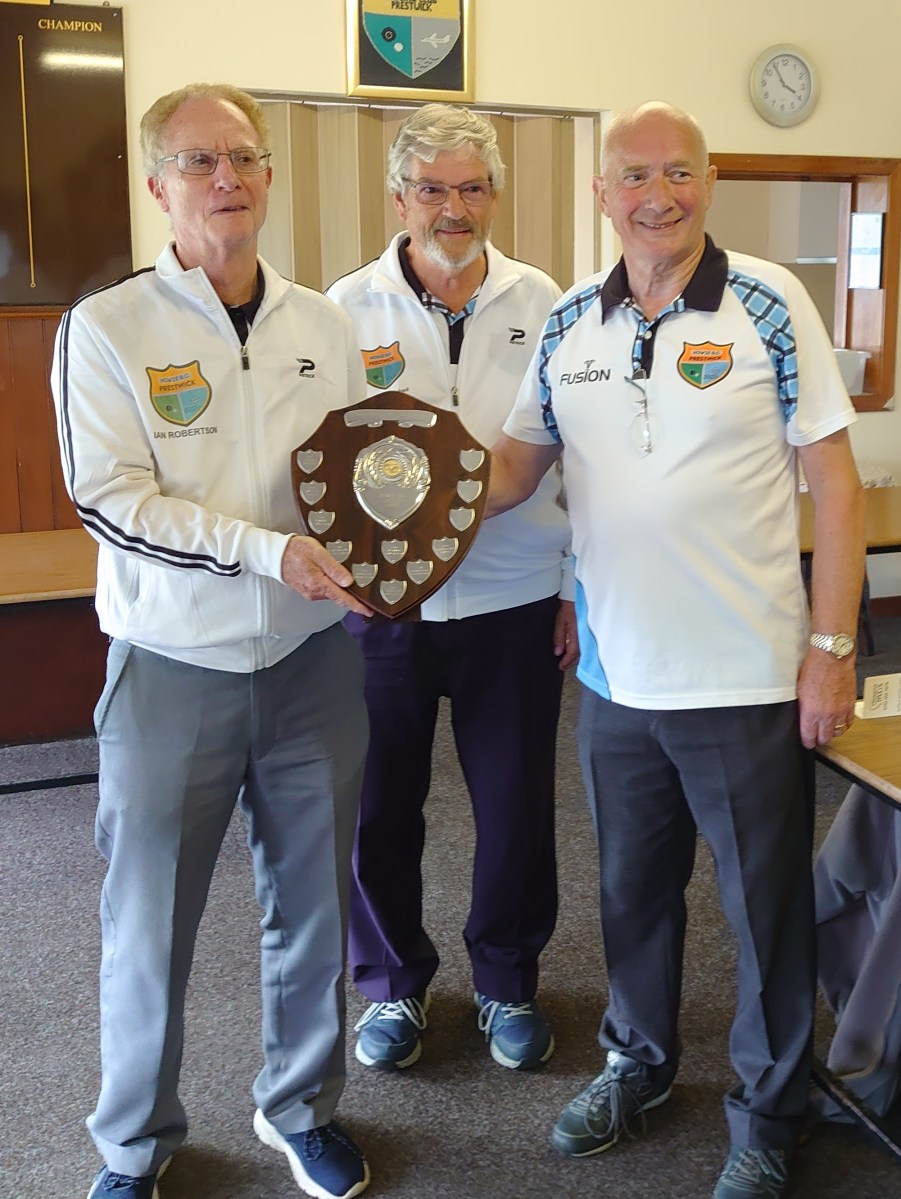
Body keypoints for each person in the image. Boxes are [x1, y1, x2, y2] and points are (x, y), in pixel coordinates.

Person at [487, 101, 866, 1198]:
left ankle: (768, 1111)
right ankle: (639, 1062)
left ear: (707, 181)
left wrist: (831, 647)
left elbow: (834, 485)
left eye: (679, 171)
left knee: (763, 911)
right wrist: (394, 497)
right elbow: (509, 470)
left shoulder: (769, 303)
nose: (659, 194)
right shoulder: (568, 322)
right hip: (615, 675)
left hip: (744, 674)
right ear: (601, 193)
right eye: (635, 176)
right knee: (631, 895)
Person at [52, 83, 374, 1199]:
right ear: (159, 185)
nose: (226, 178)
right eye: (199, 161)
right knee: (148, 923)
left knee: (315, 906)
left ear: (268, 175)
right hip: (170, 669)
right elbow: (109, 500)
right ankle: (134, 1144)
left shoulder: (322, 324)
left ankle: (301, 1108)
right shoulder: (106, 327)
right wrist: (264, 552)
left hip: (312, 661)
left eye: (242, 156)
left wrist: (389, 553)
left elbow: (351, 473)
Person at [327, 104, 577, 1074]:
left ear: (494, 195)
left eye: (471, 187)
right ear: (399, 198)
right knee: (378, 804)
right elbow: (318, 460)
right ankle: (392, 984)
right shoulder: (342, 309)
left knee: (515, 804)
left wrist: (571, 583)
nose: (453, 207)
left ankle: (507, 980)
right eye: (431, 188)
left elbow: (576, 454)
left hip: (514, 595)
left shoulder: (543, 300)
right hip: (385, 605)